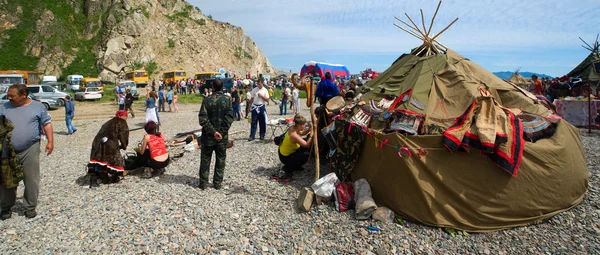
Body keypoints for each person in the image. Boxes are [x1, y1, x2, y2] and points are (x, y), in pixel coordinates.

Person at [0, 84, 54, 220]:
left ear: (24, 95)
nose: (9, 97)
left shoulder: (38, 107)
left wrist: (50, 142)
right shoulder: (3, 107)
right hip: (7, 150)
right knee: (6, 178)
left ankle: (29, 208)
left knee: (31, 178)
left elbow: (46, 123)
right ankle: (6, 207)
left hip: (30, 148)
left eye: (12, 95)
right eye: (8, 95)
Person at [198, 79, 234, 190]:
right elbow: (229, 118)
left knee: (205, 159)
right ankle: (217, 183)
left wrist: (213, 132)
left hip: (208, 136)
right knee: (221, 159)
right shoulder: (227, 100)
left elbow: (202, 119)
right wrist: (221, 132)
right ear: (222, 87)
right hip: (221, 138)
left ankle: (203, 182)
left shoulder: (207, 100)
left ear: (213, 87)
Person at [87, 110, 129, 186]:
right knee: (115, 160)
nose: (126, 118)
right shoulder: (121, 122)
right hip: (110, 144)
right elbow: (124, 135)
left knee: (102, 159)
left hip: (97, 142)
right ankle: (115, 176)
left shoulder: (108, 123)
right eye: (126, 117)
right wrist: (124, 145)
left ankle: (103, 175)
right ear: (123, 116)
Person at [271, 115, 313, 182]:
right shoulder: (293, 135)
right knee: (306, 155)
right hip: (285, 157)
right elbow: (307, 145)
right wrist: (311, 134)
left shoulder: (293, 127)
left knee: (303, 148)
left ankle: (296, 166)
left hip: (283, 152)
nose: (304, 126)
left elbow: (302, 133)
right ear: (299, 125)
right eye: (303, 125)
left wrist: (309, 130)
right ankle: (287, 169)